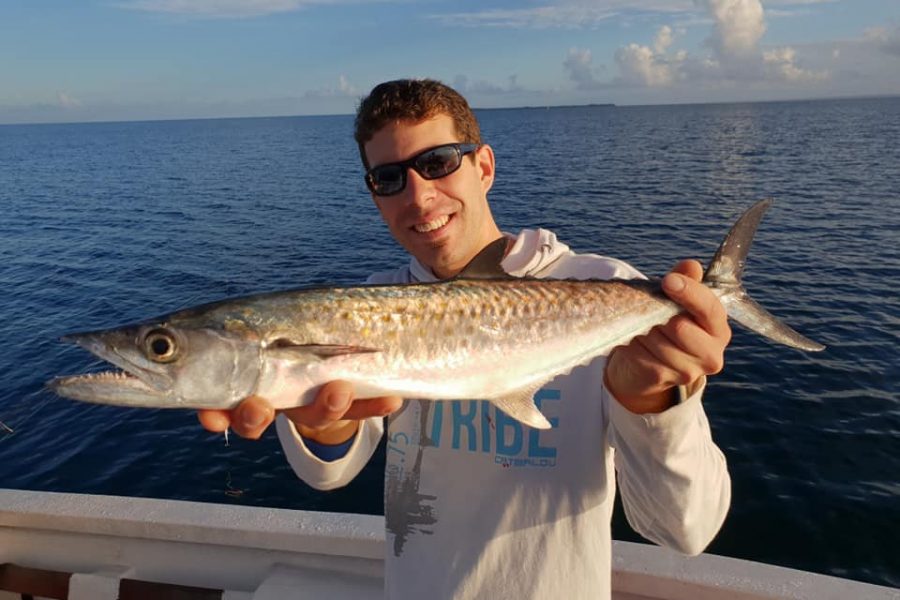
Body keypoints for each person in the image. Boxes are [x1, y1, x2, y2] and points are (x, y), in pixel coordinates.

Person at [198, 79, 731, 599]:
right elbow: (329, 474)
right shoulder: (365, 307)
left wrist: (653, 401)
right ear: (374, 195)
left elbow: (686, 530)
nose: (420, 195)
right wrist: (326, 426)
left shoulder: (610, 287)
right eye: (389, 178)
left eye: (438, 163)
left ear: (484, 167)